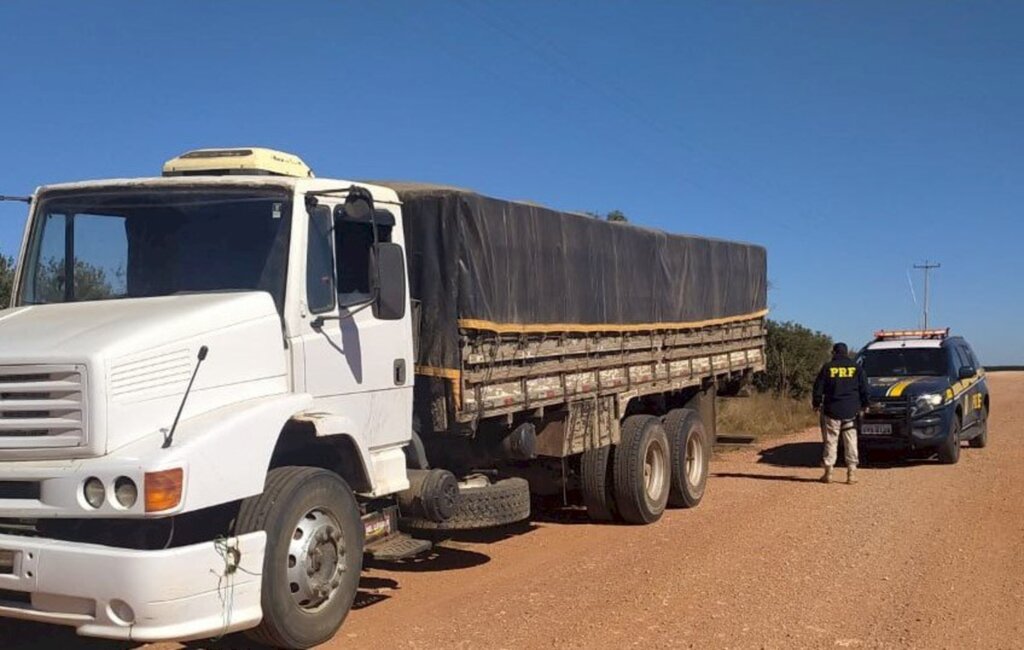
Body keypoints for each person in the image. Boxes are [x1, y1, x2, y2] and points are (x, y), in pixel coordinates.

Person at [812, 342, 869, 484]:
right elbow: (864, 388)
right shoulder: (856, 368)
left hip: (832, 410)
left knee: (831, 440)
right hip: (851, 410)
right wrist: (865, 404)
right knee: (850, 440)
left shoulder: (827, 368)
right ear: (847, 352)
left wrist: (816, 403)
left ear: (834, 353)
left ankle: (828, 472)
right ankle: (851, 473)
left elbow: (818, 388)